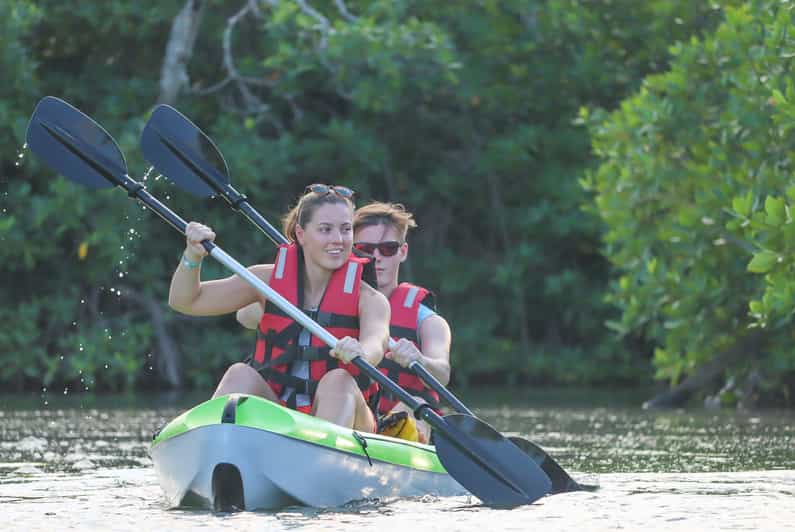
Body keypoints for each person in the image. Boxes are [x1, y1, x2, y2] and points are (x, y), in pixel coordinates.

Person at [168, 184, 390, 432]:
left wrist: (360, 350)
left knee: (338, 381)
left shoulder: (369, 298)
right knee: (240, 373)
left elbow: (377, 343)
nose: (338, 239)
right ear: (301, 234)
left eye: (346, 229)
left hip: (349, 420)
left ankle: (319, 458)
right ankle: (212, 444)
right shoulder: (264, 281)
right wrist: (193, 256)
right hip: (281, 414)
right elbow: (186, 301)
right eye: (325, 230)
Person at [238, 201, 451, 443]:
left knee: (417, 405)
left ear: (402, 252)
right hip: (343, 415)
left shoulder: (427, 320)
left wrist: (420, 360)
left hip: (396, 427)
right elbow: (245, 316)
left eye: (388, 249)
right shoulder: (317, 301)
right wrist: (281, 310)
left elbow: (442, 374)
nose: (376, 257)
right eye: (365, 248)